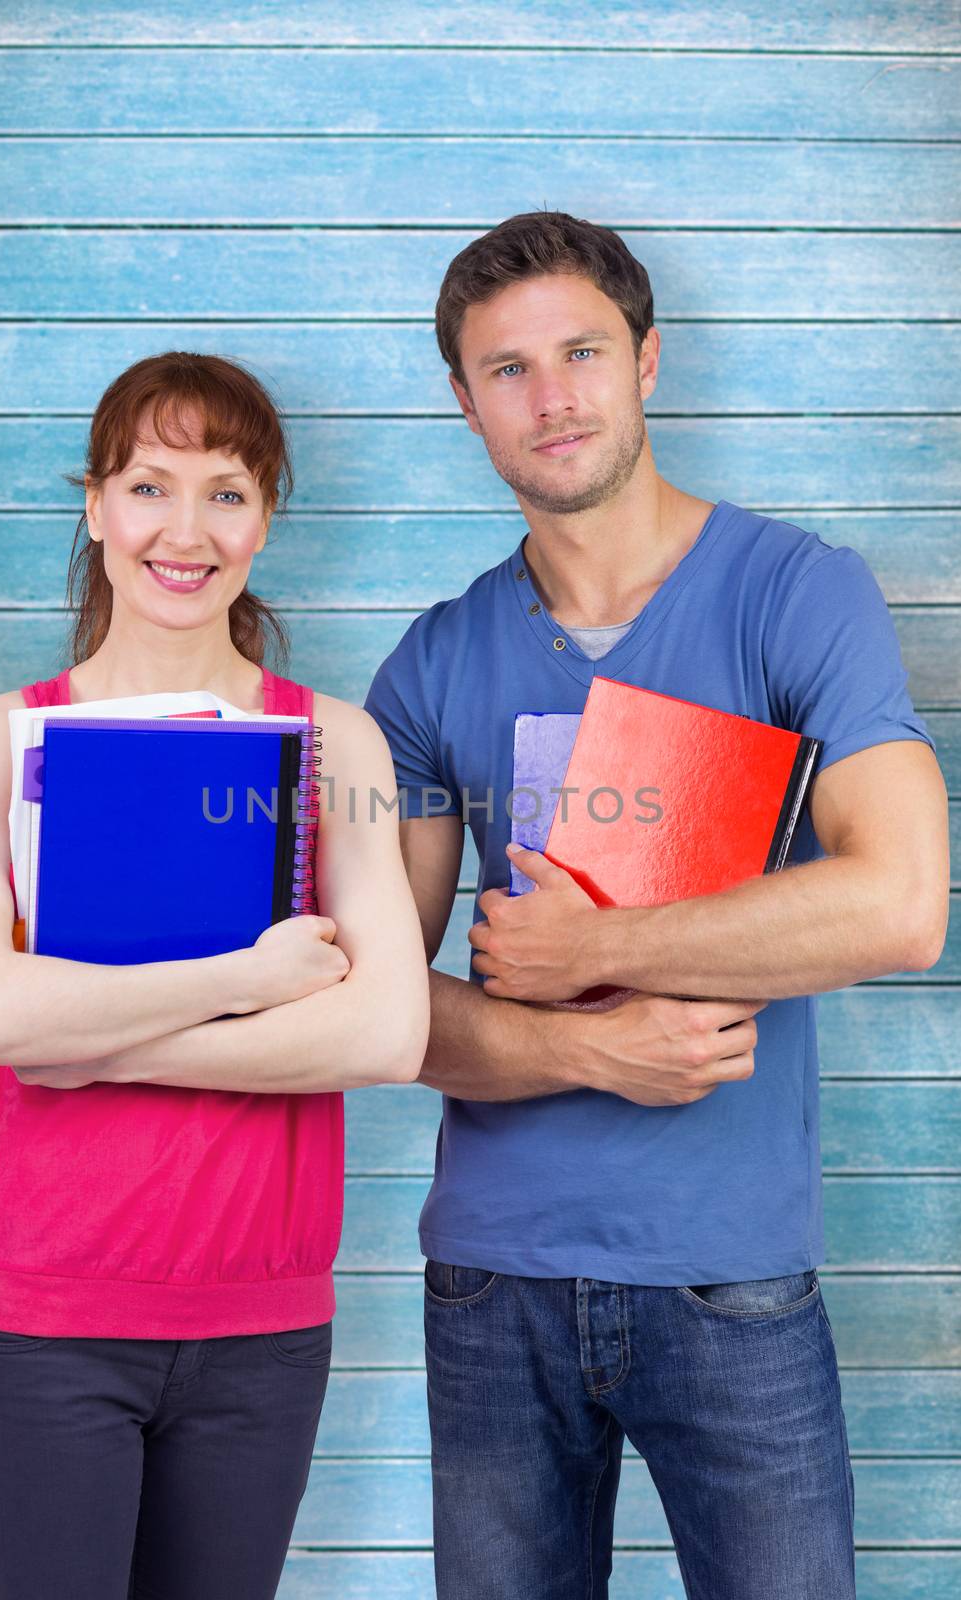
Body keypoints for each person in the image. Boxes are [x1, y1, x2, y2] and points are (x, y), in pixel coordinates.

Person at [363, 212, 950, 1599]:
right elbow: (375, 1004)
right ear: (464, 404)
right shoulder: (434, 663)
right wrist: (584, 1043)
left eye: (579, 351)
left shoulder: (796, 595)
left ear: (647, 361)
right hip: (491, 1284)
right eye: (505, 370)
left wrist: (597, 948)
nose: (550, 395)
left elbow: (901, 901)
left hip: (731, 1283)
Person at [0, 351, 430, 1600]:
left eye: (228, 492)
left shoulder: (334, 742)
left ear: (266, 519)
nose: (184, 532)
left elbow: (386, 1033)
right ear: (95, 505)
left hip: (262, 1331)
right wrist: (253, 972)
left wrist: (75, 1035)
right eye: (150, 486)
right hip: (47, 1325)